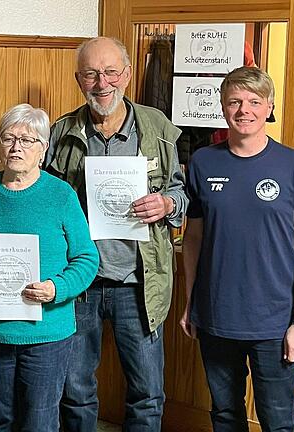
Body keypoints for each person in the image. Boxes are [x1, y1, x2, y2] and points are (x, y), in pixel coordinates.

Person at [44, 36, 187, 431]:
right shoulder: (61, 132)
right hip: (79, 283)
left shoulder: (156, 127)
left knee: (147, 393)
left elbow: (180, 191)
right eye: (91, 74)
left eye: (110, 72)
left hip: (138, 283)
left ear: (125, 75)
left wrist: (167, 204)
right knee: (75, 392)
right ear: (78, 79)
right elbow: (47, 200)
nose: (101, 83)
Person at [180, 67, 294, 431]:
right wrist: (189, 304)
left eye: (254, 102)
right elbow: (194, 239)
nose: (243, 110)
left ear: (269, 107)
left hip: (275, 324)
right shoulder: (203, 162)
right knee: (225, 415)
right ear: (222, 107)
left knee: (277, 419)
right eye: (234, 101)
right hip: (216, 317)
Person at [0, 103, 99, 431]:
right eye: (9, 138)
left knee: (39, 421)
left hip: (48, 332)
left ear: (43, 149)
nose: (16, 147)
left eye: (27, 140)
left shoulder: (61, 195)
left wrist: (56, 288)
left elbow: (87, 259)